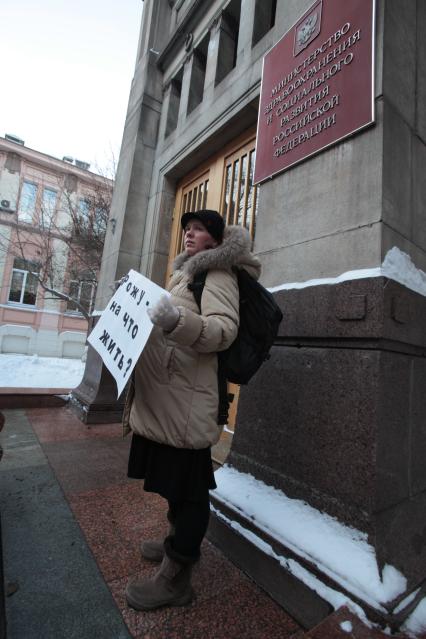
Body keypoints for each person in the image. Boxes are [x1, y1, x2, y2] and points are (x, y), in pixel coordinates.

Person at [123, 209, 261, 611]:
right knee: (173, 482)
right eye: (186, 228)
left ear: (214, 240)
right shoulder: (185, 273)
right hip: (169, 397)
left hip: (188, 401)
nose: (188, 234)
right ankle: (175, 541)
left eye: (198, 229)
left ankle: (177, 575)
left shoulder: (217, 274)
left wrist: (175, 319)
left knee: (190, 490)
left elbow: (222, 330)